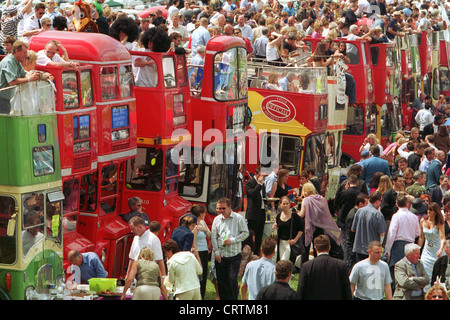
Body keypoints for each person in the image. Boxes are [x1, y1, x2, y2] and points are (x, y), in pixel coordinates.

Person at [211, 197, 249, 300]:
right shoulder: (217, 219)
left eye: (223, 208)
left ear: (229, 207)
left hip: (234, 255)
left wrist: (232, 240)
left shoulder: (238, 218)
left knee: (232, 280)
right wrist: (217, 252)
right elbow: (213, 237)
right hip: (221, 255)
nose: (221, 211)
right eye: (219, 208)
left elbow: (246, 233)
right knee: (221, 281)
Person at [297, 234, 351, 300]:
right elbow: (346, 290)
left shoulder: (306, 266)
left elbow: (301, 290)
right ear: (329, 247)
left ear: (315, 248)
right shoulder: (341, 265)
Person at [384, 193, 420, 288]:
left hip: (398, 246)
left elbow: (391, 234)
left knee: (396, 271)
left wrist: (387, 249)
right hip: (411, 245)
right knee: (409, 272)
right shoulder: (413, 216)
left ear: (397, 204)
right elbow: (417, 233)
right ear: (407, 204)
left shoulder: (396, 216)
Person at [418, 202, 446, 292]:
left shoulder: (440, 223)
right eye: (428, 209)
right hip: (427, 251)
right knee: (425, 273)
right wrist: (418, 249)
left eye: (431, 210)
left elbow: (442, 238)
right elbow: (421, 237)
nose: (428, 211)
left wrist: (441, 249)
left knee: (438, 275)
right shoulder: (423, 221)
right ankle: (425, 293)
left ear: (435, 212)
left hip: (437, 250)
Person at [351, 191, 386, 262]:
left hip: (359, 247)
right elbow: (382, 233)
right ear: (377, 201)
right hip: (372, 250)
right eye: (381, 201)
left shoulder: (359, 211)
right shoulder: (378, 215)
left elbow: (353, 229)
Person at [273, 196, 303, 265]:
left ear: (290, 204)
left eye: (287, 204)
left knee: (285, 262)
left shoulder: (294, 216)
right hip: (281, 242)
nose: (285, 205)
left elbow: (301, 229)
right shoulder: (278, 215)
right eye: (283, 204)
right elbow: (278, 225)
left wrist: (295, 240)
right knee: (281, 261)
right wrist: (275, 226)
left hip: (290, 243)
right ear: (280, 204)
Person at [189, 204, 210, 299]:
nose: (205, 214)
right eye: (204, 212)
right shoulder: (193, 225)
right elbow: (193, 242)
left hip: (205, 251)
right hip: (198, 252)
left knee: (204, 274)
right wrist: (196, 254)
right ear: (201, 214)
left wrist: (204, 229)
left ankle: (202, 295)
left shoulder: (202, 222)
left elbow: (209, 235)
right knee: (198, 274)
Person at [245, 166, 267, 256]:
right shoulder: (250, 183)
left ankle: (257, 253)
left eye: (263, 176)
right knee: (252, 236)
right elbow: (252, 194)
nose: (262, 178)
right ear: (256, 174)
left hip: (261, 211)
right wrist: (259, 184)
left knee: (259, 235)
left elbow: (262, 197)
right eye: (261, 175)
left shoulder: (263, 184)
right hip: (253, 213)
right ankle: (249, 253)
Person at [345, 193, 369, 272]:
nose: (368, 206)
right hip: (353, 248)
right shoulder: (354, 215)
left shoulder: (356, 213)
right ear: (360, 204)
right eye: (366, 203)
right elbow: (351, 235)